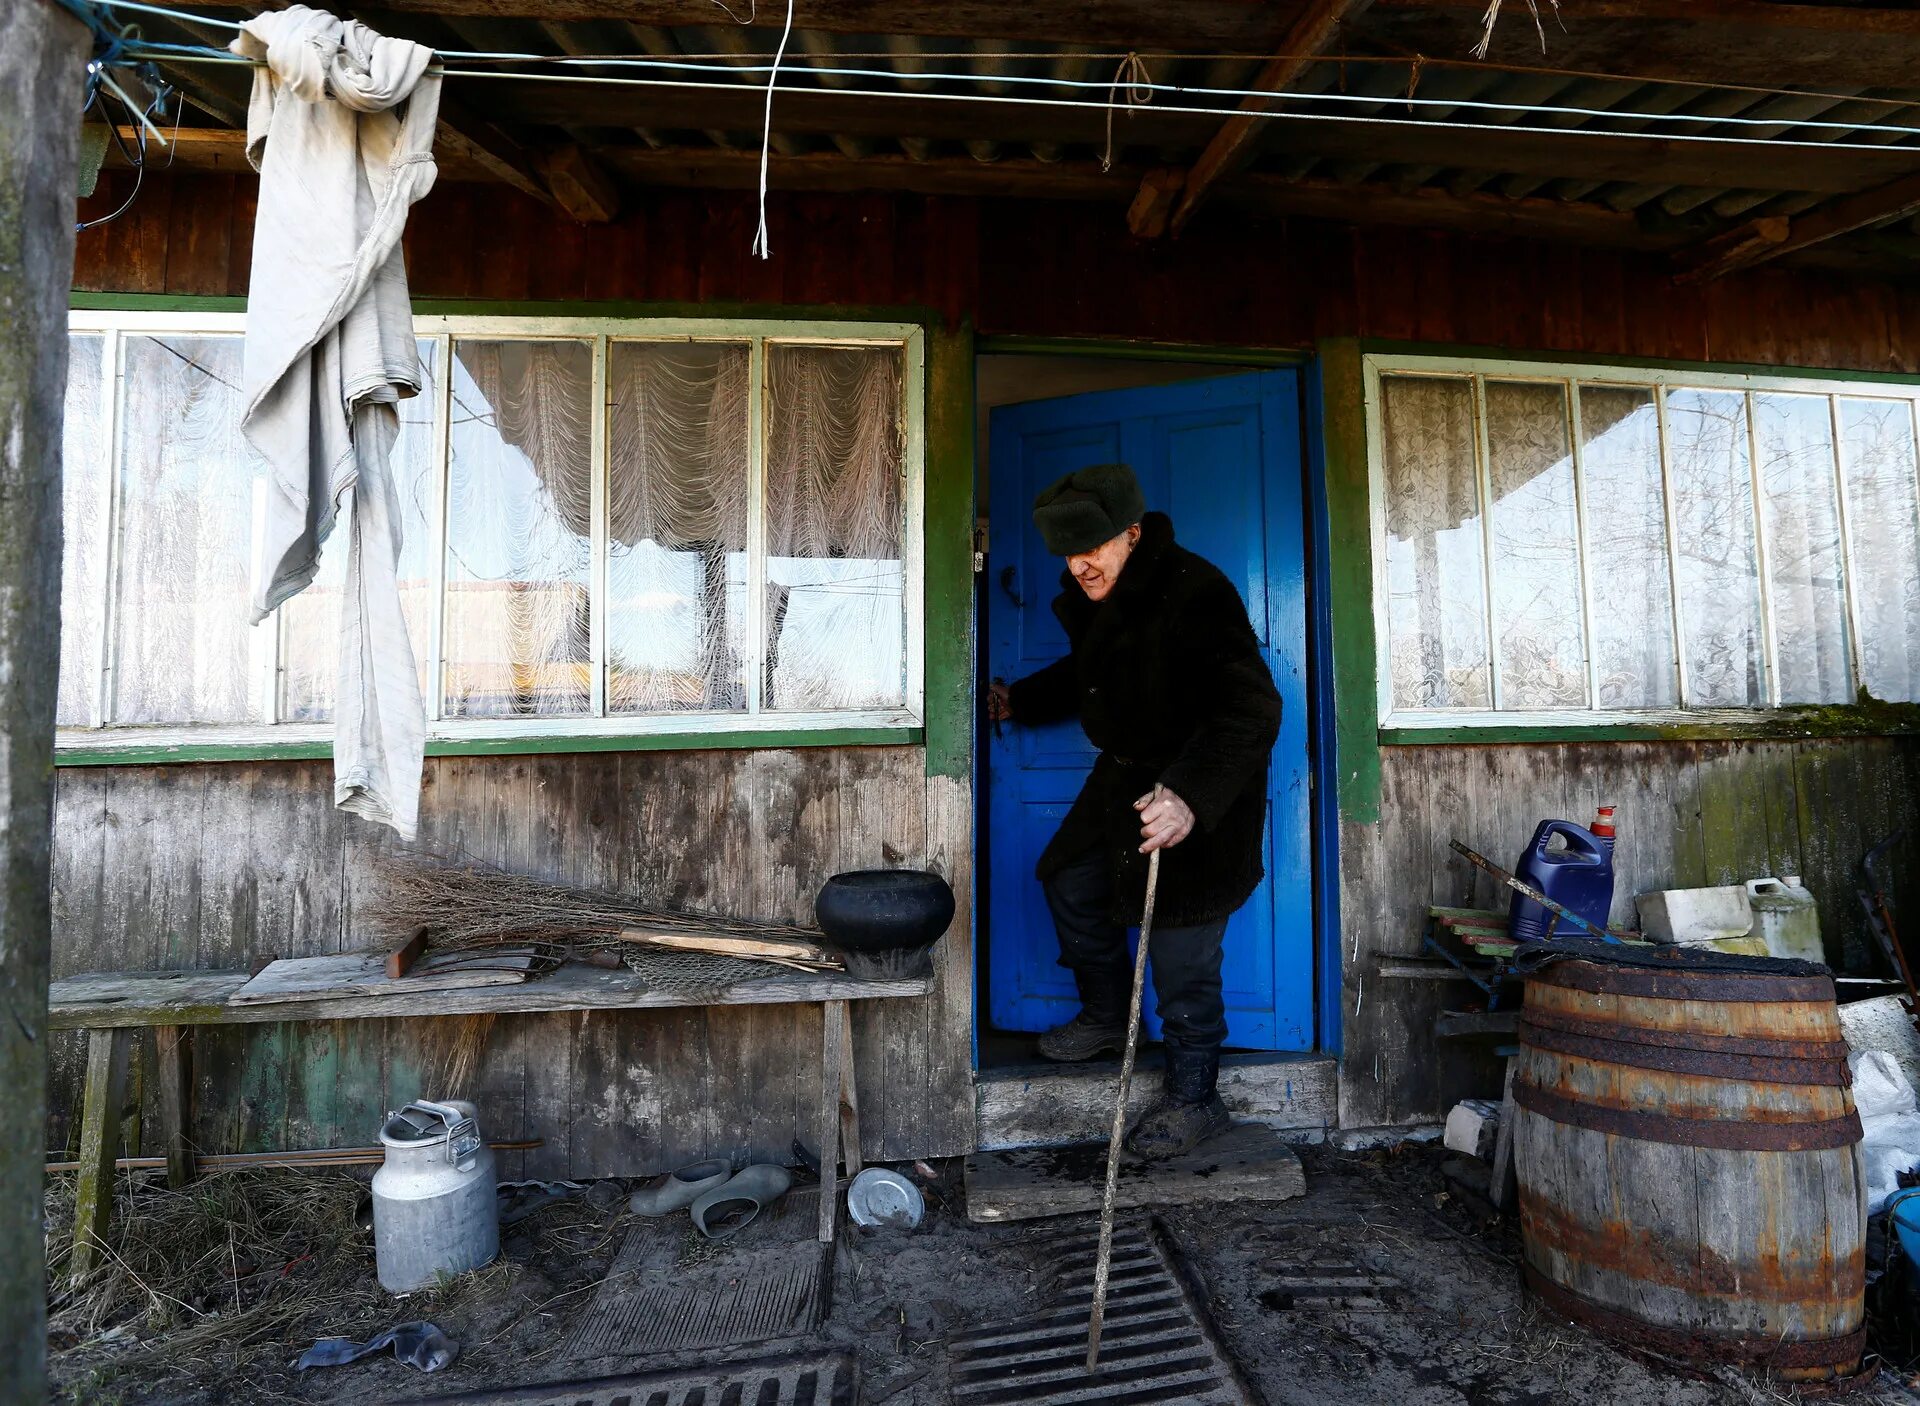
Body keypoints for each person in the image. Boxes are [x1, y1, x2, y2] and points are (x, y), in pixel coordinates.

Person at [988, 462, 1282, 1160]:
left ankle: (1195, 1096)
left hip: (1200, 787)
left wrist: (1187, 797)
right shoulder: (1098, 594)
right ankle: (1108, 1017)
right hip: (1121, 778)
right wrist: (1019, 702)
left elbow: (1251, 709)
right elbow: (1091, 672)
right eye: (1067, 551)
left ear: (1132, 532)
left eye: (1092, 548)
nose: (1079, 565)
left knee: (1181, 944)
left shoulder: (1193, 591)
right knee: (1069, 878)